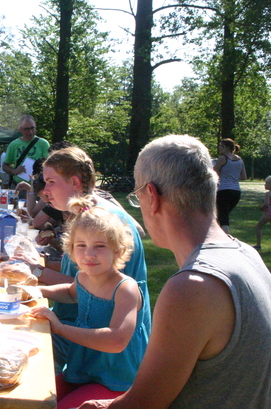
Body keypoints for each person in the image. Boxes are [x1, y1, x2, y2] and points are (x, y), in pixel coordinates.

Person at [80, 134, 271, 409]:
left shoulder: (193, 287)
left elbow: (141, 405)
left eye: (136, 197)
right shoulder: (248, 255)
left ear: (152, 196)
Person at [38, 147, 151, 372]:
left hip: (108, 358)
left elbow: (90, 296)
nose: (45, 191)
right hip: (84, 342)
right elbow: (79, 283)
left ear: (75, 182)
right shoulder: (89, 216)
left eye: (51, 182)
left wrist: (36, 273)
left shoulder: (104, 224)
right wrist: (34, 284)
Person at [30, 195, 148, 409]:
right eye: (81, 245)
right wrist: (37, 290)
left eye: (100, 246)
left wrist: (61, 328)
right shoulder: (84, 277)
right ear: (71, 250)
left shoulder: (125, 289)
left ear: (118, 249)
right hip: (84, 369)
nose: (89, 254)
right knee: (32, 396)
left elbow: (116, 340)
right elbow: (70, 293)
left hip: (116, 379)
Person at [2, 115, 50, 186]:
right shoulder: (14, 144)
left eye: (32, 128)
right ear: (20, 129)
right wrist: (14, 170)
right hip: (18, 186)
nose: (30, 132)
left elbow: (49, 165)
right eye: (26, 129)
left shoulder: (43, 144)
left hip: (37, 186)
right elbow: (5, 166)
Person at [213, 137, 246, 233]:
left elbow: (213, 173)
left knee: (223, 218)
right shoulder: (239, 159)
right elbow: (244, 177)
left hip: (224, 190)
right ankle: (219, 235)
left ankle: (225, 239)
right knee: (222, 215)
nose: (219, 147)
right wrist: (232, 177)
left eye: (221, 146)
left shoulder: (223, 158)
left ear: (227, 147)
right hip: (236, 192)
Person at [253, 175, 271, 250]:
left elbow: (266, 204)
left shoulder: (268, 194)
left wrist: (262, 207)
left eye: (266, 183)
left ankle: (258, 245)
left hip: (268, 214)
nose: (265, 185)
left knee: (258, 227)